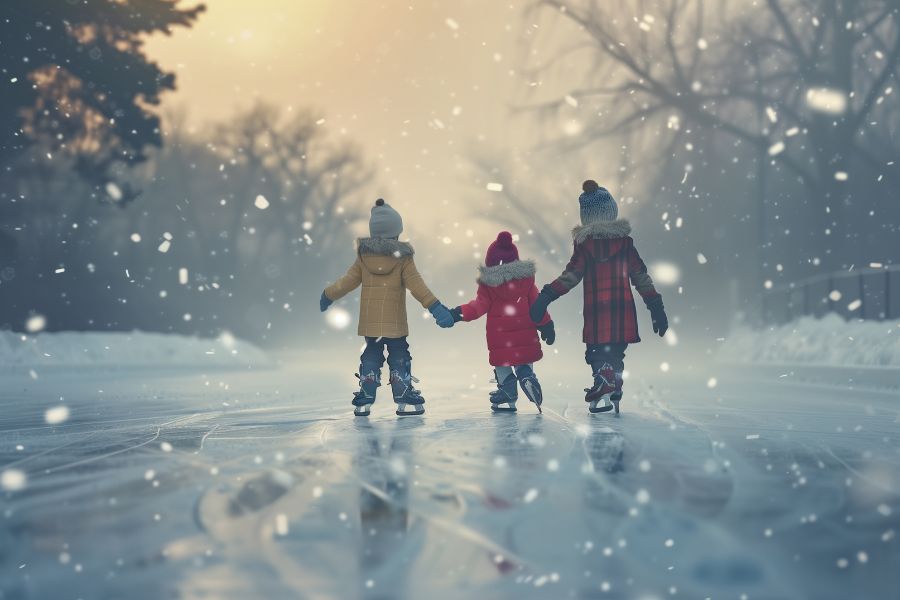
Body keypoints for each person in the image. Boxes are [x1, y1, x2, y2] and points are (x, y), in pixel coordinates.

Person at [529, 181, 668, 414]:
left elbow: (571, 276)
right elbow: (641, 277)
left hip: (597, 314)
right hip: (622, 313)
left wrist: (546, 295)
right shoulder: (625, 245)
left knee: (596, 352)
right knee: (616, 351)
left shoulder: (585, 246)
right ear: (612, 213)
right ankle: (614, 384)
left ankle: (604, 380)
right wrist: (655, 306)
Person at [320, 199, 454, 416]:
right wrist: (436, 307)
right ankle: (402, 388)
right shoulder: (403, 259)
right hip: (395, 323)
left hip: (370, 324)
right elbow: (418, 286)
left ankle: (368, 384)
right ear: (397, 233)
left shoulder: (363, 258)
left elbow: (347, 282)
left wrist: (328, 294)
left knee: (372, 352)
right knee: (399, 352)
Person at [450, 231, 555, 413]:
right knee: (524, 363)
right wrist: (546, 324)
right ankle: (527, 377)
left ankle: (507, 392)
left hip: (500, 338)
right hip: (526, 335)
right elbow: (537, 305)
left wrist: (458, 313)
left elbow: (478, 307)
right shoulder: (526, 280)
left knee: (503, 367)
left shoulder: (489, 284)